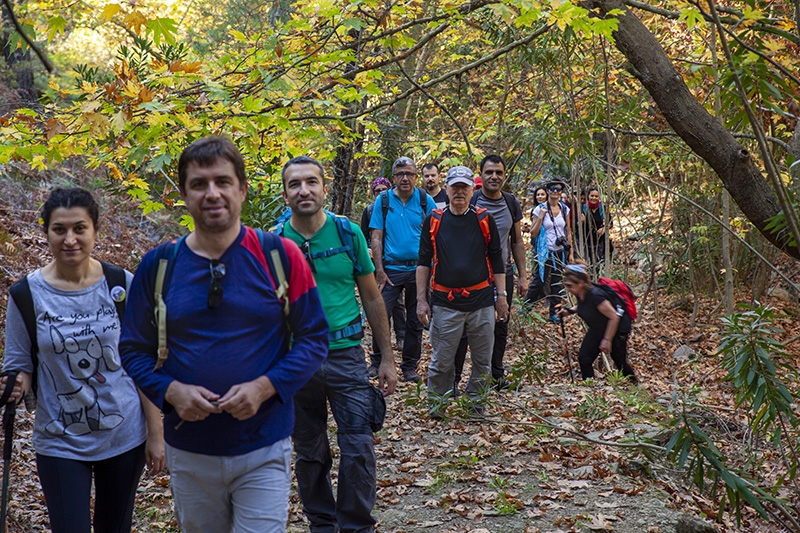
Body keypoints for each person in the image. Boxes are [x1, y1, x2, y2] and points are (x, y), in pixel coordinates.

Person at [119, 136, 329, 532]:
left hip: (264, 444)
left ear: (242, 189)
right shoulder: (159, 266)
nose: (212, 193)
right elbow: (132, 348)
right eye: (199, 184)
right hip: (190, 449)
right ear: (184, 193)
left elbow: (315, 337)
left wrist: (266, 387)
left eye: (222, 181)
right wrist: (170, 391)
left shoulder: (280, 257)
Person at [2, 187, 165, 533]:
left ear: (95, 230)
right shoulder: (25, 295)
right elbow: (20, 366)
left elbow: (142, 364)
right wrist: (16, 383)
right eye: (59, 229)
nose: (70, 239)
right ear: (46, 231)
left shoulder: (122, 284)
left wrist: (156, 432)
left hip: (124, 436)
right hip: (59, 438)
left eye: (80, 228)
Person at [278, 156, 397, 533]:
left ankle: (356, 525)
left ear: (324, 189)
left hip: (346, 354)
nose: (304, 190)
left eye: (311, 182)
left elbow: (373, 298)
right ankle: (322, 523)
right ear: (285, 194)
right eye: (295, 184)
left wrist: (386, 360)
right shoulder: (274, 242)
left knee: (359, 447)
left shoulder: (348, 234)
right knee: (310, 451)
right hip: (297, 360)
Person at [417, 166, 508, 420]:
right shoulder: (434, 220)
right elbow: (423, 261)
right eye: (454, 187)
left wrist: (501, 298)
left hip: (481, 303)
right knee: (442, 361)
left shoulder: (483, 219)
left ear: (472, 191)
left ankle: (475, 407)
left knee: (483, 360)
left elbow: (496, 261)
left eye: (464, 188)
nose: (459, 192)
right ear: (446, 189)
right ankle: (437, 408)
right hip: (445, 303)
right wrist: (421, 301)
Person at [453, 155, 527, 392]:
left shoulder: (510, 202)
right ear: (481, 175)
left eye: (499, 173)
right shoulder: (471, 200)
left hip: (502, 273)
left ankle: (495, 376)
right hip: (473, 277)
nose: (494, 176)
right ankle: (454, 380)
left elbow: (516, 241)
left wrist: (523, 275)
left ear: (505, 176)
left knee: (500, 325)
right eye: (489, 172)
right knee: (464, 329)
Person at [369, 156, 436, 383]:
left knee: (415, 319)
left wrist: (434, 268)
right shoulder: (384, 200)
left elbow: (438, 233)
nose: (405, 178)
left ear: (416, 177)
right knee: (381, 313)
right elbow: (376, 237)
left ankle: (409, 367)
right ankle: (377, 361)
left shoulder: (425, 200)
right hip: (391, 270)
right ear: (394, 177)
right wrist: (379, 270)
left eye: (409, 174)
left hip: (419, 269)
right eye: (400, 174)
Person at [556, 263, 637, 383]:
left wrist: (607, 340)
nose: (568, 289)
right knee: (584, 358)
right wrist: (569, 311)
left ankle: (635, 386)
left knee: (619, 361)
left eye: (570, 286)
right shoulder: (581, 293)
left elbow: (614, 317)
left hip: (616, 331)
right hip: (597, 329)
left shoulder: (596, 296)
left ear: (581, 283)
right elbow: (586, 306)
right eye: (566, 285)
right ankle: (590, 388)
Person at [361, 177, 406, 358]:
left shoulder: (395, 208)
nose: (380, 193)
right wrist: (369, 251)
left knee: (399, 303)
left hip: (395, 262)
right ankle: (379, 348)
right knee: (380, 300)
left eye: (383, 190)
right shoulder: (370, 210)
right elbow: (365, 235)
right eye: (376, 190)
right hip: (376, 263)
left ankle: (401, 337)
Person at [524, 177, 574, 323]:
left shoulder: (565, 208)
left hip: (559, 252)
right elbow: (533, 233)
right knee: (539, 281)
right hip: (544, 251)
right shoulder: (539, 209)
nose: (555, 192)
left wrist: (570, 253)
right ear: (548, 191)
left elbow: (568, 231)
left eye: (558, 189)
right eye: (552, 189)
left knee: (557, 283)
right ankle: (526, 308)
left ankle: (554, 312)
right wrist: (540, 217)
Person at [581, 186, 613, 265]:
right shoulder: (584, 208)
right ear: (588, 196)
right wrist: (581, 222)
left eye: (596, 196)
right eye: (592, 196)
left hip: (599, 241)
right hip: (586, 240)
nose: (594, 198)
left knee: (597, 263)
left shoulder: (602, 208)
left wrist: (603, 229)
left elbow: (610, 223)